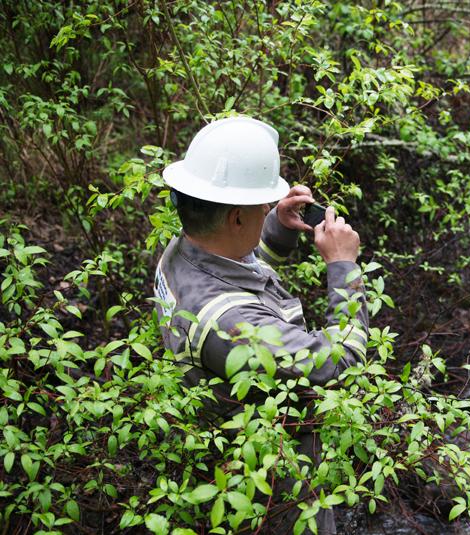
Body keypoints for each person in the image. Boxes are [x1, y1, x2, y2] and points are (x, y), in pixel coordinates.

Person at [153, 117, 368, 534]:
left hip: (232, 440)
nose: (267, 208)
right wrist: (344, 267)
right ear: (235, 218)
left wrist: (276, 229)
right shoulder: (230, 324)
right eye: (261, 207)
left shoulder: (184, 250)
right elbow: (338, 363)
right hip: (272, 475)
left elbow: (239, 272)